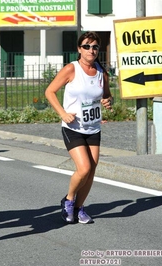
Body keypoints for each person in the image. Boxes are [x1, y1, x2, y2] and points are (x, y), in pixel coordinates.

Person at [45, 31, 113, 224]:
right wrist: (63, 113)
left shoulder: (101, 71)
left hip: (93, 128)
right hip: (73, 127)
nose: (91, 50)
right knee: (83, 168)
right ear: (79, 49)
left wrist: (108, 101)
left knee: (92, 170)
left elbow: (107, 95)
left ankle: (79, 208)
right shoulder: (71, 69)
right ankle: (68, 199)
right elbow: (49, 91)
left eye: (95, 47)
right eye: (86, 46)